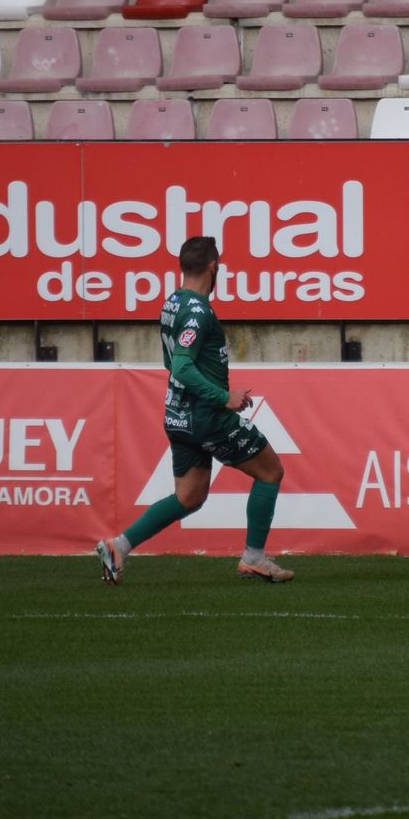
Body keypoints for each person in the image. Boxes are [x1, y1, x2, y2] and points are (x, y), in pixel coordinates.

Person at [96, 236, 293, 585]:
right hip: (208, 417)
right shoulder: (199, 312)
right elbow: (182, 367)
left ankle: (119, 546)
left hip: (178, 415)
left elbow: (173, 360)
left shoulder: (172, 302)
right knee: (270, 472)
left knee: (189, 497)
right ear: (214, 266)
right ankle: (254, 557)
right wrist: (223, 397)